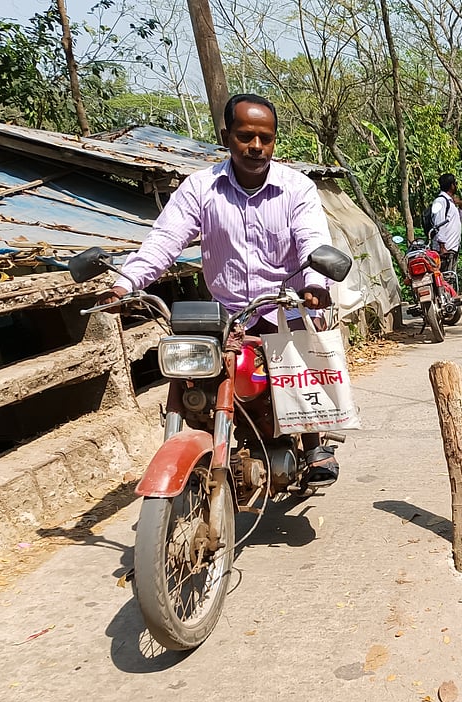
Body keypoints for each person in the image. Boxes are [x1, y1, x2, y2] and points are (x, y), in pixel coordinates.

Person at [104, 93, 344, 486]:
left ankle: (313, 443)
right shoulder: (201, 188)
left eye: (265, 138)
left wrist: (316, 284)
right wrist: (124, 285)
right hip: (226, 315)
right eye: (245, 135)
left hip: (285, 307)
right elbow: (165, 240)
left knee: (300, 368)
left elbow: (312, 239)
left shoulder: (297, 189)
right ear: (226, 135)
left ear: (274, 140)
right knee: (193, 382)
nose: (256, 146)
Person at [429, 173, 462, 289]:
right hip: (445, 248)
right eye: (455, 183)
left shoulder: (450, 202)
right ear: (451, 186)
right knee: (444, 278)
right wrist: (442, 246)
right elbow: (439, 224)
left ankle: (450, 301)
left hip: (452, 247)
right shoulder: (440, 201)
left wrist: (461, 206)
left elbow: (458, 220)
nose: (456, 186)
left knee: (450, 278)